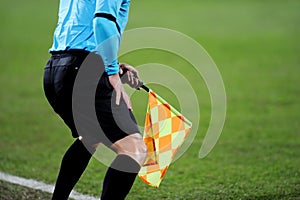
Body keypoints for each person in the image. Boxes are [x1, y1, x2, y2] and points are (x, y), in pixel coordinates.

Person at [43, 0, 147, 199]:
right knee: (134, 149)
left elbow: (79, 32)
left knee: (90, 137)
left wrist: (113, 65)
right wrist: (112, 73)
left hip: (54, 69)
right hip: (83, 69)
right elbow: (102, 21)